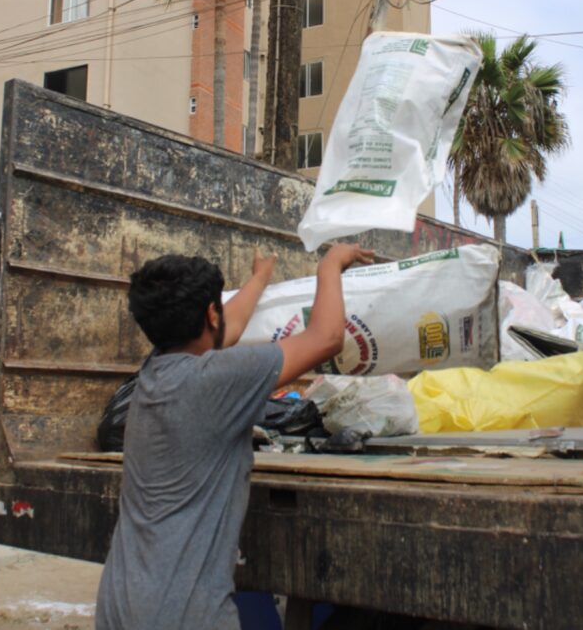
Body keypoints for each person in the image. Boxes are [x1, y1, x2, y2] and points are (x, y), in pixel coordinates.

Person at [96, 244, 374, 630]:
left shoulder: (155, 371)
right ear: (211, 314)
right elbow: (326, 337)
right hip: (186, 617)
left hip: (118, 607)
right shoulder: (215, 379)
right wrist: (330, 265)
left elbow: (229, 327)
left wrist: (259, 279)